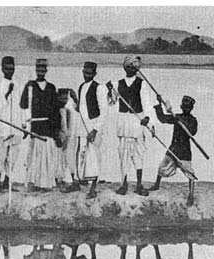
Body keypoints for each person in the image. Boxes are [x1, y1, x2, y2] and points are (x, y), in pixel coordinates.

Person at [107, 55, 152, 197]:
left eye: (134, 67)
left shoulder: (142, 84)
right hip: (123, 121)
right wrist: (110, 91)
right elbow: (112, 102)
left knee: (138, 153)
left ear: (137, 69)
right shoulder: (117, 84)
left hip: (137, 120)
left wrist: (147, 118)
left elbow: (147, 104)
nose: (131, 69)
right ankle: (124, 184)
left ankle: (139, 184)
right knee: (123, 153)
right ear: (124, 67)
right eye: (129, 66)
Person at [66, 61, 110, 199]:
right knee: (79, 155)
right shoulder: (82, 87)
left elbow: (104, 111)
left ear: (95, 74)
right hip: (81, 126)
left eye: (90, 73)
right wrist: (74, 100)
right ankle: (76, 182)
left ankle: (93, 188)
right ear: (82, 72)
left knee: (93, 157)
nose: (87, 75)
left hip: (93, 127)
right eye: (85, 72)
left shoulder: (100, 88)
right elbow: (80, 109)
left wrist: (95, 130)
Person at [20, 58, 61, 192]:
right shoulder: (30, 86)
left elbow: (55, 109)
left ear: (46, 71)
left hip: (48, 125)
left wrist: (56, 130)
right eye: (38, 70)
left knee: (47, 153)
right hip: (36, 125)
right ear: (35, 70)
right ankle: (35, 183)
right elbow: (23, 105)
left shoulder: (51, 87)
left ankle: (46, 183)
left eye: (43, 70)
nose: (40, 72)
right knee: (36, 154)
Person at [150, 95, 199, 206]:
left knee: (189, 172)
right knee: (162, 166)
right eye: (184, 106)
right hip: (174, 147)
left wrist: (181, 121)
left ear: (191, 108)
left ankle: (191, 195)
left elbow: (192, 132)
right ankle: (157, 185)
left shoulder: (192, 120)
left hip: (184, 150)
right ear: (181, 106)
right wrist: (159, 104)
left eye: (188, 107)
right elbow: (162, 119)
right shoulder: (176, 116)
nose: (186, 108)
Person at [0, 56, 23, 193]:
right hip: (3, 128)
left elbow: (22, 107)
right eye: (7, 69)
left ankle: (7, 181)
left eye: (12, 69)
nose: (10, 71)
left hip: (15, 126)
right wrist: (7, 94)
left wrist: (23, 124)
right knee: (0, 156)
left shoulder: (18, 85)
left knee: (13, 156)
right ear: (2, 69)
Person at [56, 88, 75, 190]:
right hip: (58, 137)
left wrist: (67, 138)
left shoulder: (68, 111)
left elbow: (69, 128)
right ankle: (58, 178)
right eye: (62, 98)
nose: (64, 101)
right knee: (58, 157)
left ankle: (66, 179)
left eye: (66, 98)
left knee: (64, 158)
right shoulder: (56, 110)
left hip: (66, 137)